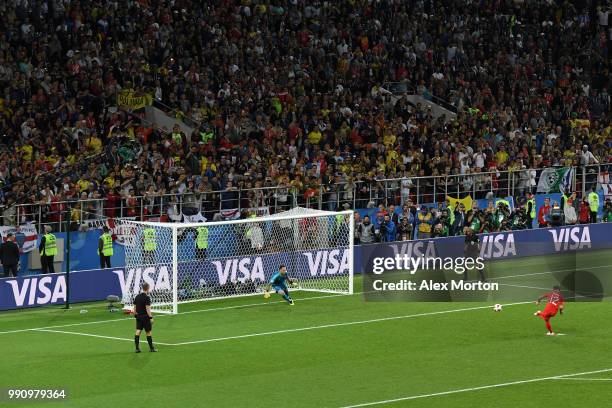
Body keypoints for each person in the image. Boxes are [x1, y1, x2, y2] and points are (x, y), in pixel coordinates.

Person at [133, 283, 158, 353]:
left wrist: (135, 315)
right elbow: (148, 309)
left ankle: (137, 349)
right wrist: (151, 317)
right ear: (148, 288)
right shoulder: (147, 297)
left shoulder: (137, 296)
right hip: (145, 317)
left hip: (139, 317)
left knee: (138, 331)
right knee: (148, 332)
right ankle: (151, 348)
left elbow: (134, 307)